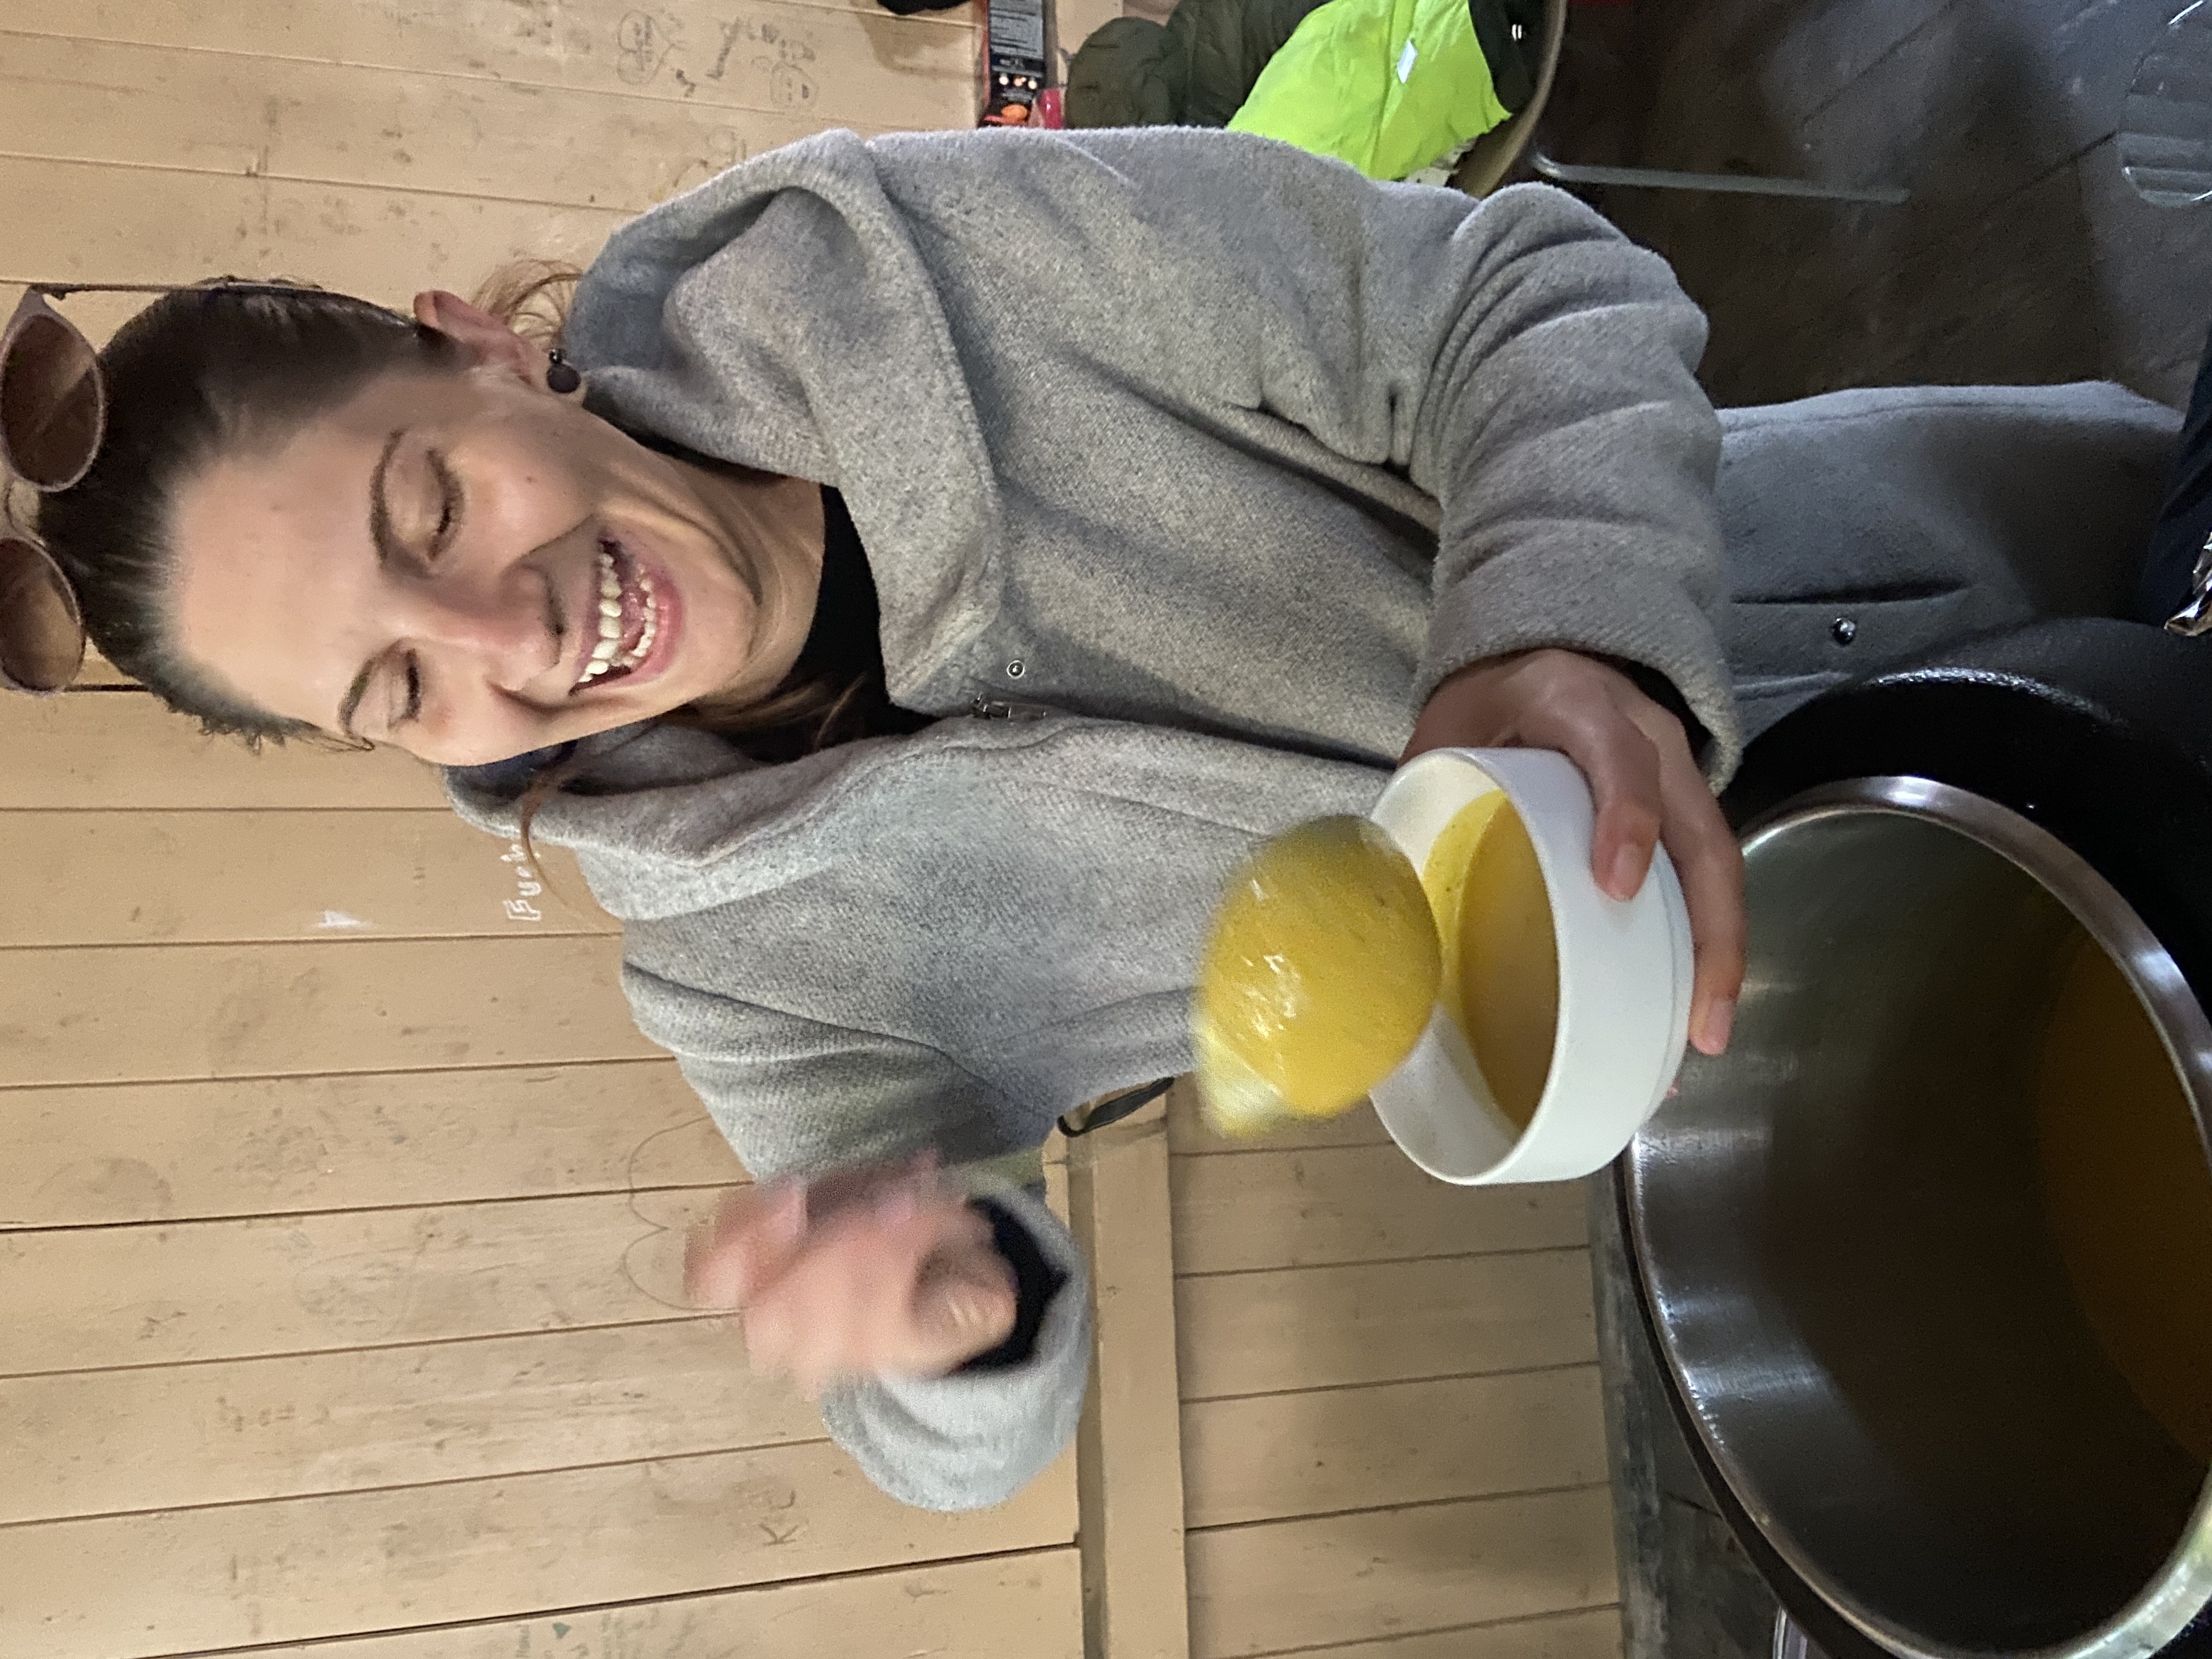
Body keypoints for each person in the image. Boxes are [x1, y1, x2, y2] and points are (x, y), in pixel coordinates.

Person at [20, 127, 2177, 1512]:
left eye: (431, 509)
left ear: (477, 349)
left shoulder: (904, 265)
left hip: (1977, 609)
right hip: (1820, 1017)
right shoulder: (741, 965)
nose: (508, 637)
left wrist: (1566, 628)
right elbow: (948, 1393)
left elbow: (1518, 287)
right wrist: (948, 1314)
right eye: (399, 688)